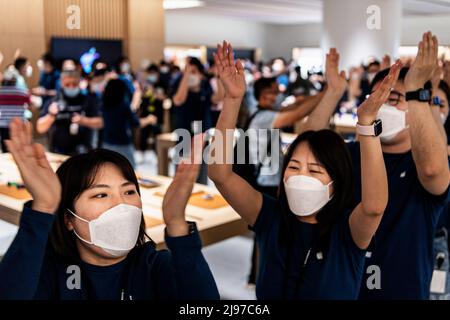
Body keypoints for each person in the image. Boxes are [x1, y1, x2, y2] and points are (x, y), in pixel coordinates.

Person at [208, 41, 396, 300]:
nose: (301, 177)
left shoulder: (347, 231)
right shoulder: (270, 217)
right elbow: (220, 174)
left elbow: (374, 207)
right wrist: (232, 100)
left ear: (335, 182)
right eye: (294, 167)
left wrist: (366, 125)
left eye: (315, 171)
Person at [0, 119, 219, 300]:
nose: (121, 205)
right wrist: (42, 211)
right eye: (101, 194)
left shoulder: (153, 267)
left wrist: (177, 223)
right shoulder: (48, 272)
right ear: (68, 219)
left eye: (129, 192)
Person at [303, 32, 450, 300]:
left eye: (395, 98)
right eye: (381, 95)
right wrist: (334, 91)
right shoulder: (350, 154)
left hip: (400, 287)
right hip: (341, 284)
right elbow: (309, 148)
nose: (385, 104)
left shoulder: (422, 163)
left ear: (417, 105)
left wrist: (419, 89)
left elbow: (432, 171)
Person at [37, 70, 103, 155]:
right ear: (61, 83)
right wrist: (51, 115)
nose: (71, 87)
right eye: (67, 84)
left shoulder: (88, 100)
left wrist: (83, 120)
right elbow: (40, 128)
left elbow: (100, 123)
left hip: (83, 153)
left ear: (79, 82)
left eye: (74, 84)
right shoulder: (53, 101)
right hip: (58, 153)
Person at [101, 79, 156, 168]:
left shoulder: (104, 104)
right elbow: (135, 123)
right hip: (122, 143)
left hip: (107, 142)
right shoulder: (123, 105)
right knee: (130, 170)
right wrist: (149, 119)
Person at [0, 70, 31, 152]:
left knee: (5, 148)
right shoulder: (23, 92)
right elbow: (29, 105)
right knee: (18, 149)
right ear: (16, 80)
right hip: (18, 123)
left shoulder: (0, 92)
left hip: (4, 124)